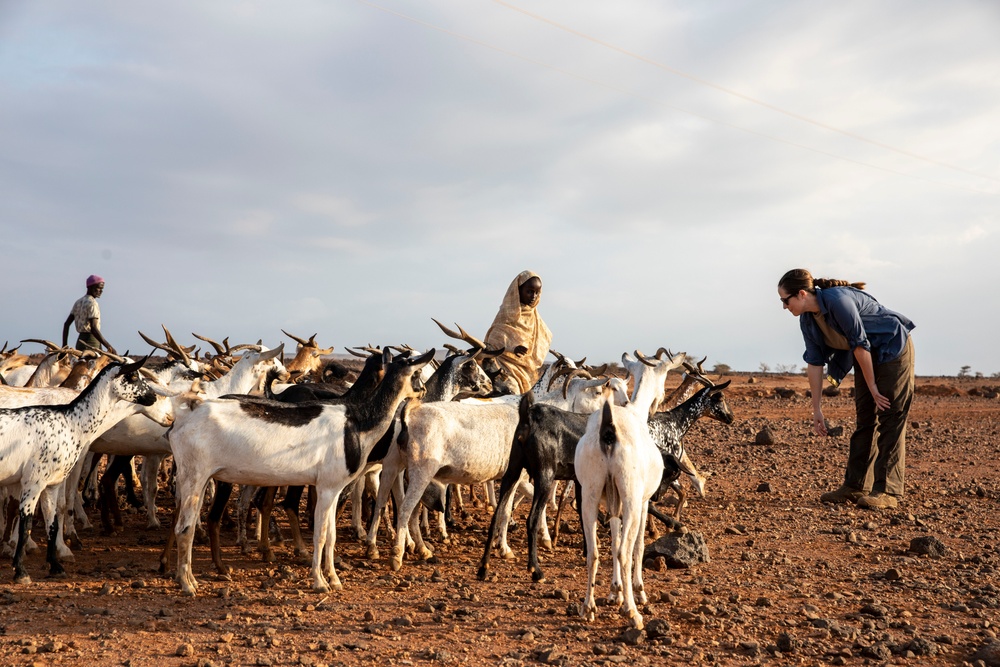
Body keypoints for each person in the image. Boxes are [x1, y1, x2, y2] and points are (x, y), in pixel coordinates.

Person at [777, 268, 914, 510]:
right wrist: (816, 408)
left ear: (800, 294)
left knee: (890, 416)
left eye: (784, 301)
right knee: (865, 418)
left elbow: (860, 343)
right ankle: (855, 486)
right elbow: (814, 362)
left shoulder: (838, 301)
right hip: (867, 356)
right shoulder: (808, 320)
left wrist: (872, 386)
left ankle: (888, 491)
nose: (784, 307)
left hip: (892, 349)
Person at [484, 270, 552, 394]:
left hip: (529, 373)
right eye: (529, 291)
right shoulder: (507, 313)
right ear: (518, 290)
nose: (533, 296)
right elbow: (494, 338)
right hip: (503, 368)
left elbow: (544, 340)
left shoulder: (537, 321)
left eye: (537, 292)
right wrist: (512, 348)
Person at [62, 274, 117, 354]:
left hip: (80, 344)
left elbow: (66, 324)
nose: (101, 291)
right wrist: (110, 348)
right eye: (99, 288)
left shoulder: (78, 302)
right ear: (90, 287)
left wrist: (64, 345)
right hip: (92, 343)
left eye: (102, 289)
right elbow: (94, 329)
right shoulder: (92, 303)